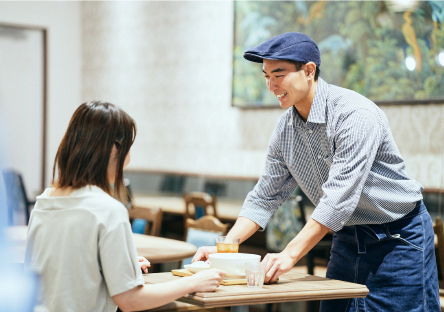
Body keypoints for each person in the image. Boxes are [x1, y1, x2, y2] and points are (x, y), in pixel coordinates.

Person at [193, 32, 440, 311]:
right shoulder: (285, 129)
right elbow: (264, 196)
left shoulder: (354, 115)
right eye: (266, 76)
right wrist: (225, 248)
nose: (271, 85)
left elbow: (337, 200)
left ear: (309, 70)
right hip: (347, 237)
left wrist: (289, 254)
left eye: (279, 74)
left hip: (398, 237)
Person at [25, 102, 225, 312]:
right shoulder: (108, 209)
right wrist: (193, 282)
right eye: (129, 147)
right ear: (113, 149)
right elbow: (130, 300)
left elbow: (58, 271)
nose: (128, 159)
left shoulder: (44, 202)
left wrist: (113, 267)